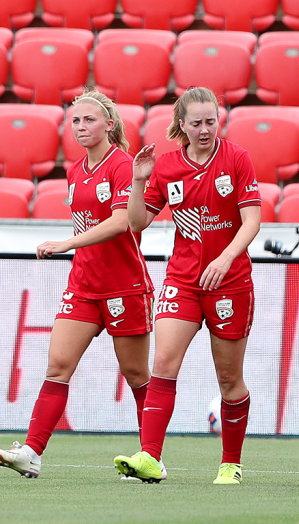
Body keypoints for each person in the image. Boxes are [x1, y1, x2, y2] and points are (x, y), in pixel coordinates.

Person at [0, 91, 154, 479]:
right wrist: (74, 250)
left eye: (89, 120)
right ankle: (31, 451)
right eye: (75, 121)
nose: (81, 127)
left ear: (110, 125)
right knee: (57, 366)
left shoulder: (123, 166)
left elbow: (123, 222)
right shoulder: (74, 171)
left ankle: (152, 455)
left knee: (136, 375)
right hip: (83, 285)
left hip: (124, 287)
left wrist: (66, 244)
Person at [114, 87, 262, 485]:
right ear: (181, 124)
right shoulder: (166, 166)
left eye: (210, 121)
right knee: (163, 363)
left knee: (229, 379)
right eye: (195, 123)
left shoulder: (236, 158)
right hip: (183, 280)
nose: (204, 129)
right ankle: (150, 456)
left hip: (230, 281)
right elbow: (136, 222)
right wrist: (138, 181)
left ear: (219, 119)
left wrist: (225, 257)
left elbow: (252, 221)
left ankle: (231, 463)